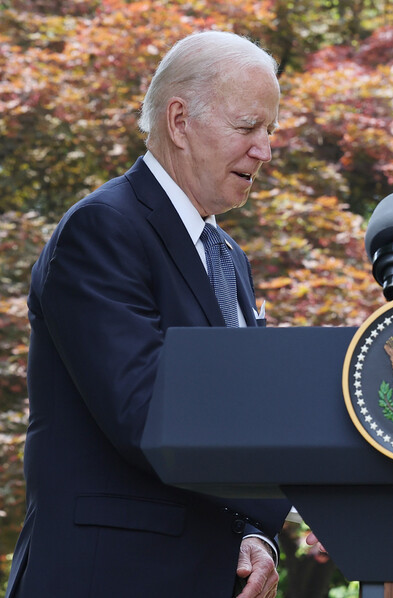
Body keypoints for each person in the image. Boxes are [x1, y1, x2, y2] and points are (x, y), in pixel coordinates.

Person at [5, 31, 291, 598]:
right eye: (247, 127)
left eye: (270, 131)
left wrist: (255, 532)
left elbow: (243, 405)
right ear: (179, 122)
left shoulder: (227, 256)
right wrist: (315, 490)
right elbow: (149, 414)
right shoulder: (102, 229)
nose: (263, 150)